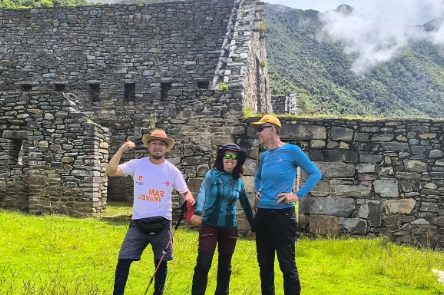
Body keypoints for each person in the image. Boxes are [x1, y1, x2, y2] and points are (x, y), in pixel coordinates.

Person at [106, 129, 195, 295]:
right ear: (148, 146)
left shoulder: (172, 171)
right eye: (154, 143)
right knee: (123, 260)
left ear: (166, 148)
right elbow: (110, 171)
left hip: (163, 224)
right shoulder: (136, 165)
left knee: (161, 263)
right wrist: (122, 149)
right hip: (138, 223)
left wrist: (190, 199)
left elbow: (185, 192)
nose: (157, 147)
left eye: (161, 144)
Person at [250, 115, 322, 295]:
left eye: (260, 129)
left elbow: (315, 173)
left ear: (272, 129)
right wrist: (258, 190)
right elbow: (258, 178)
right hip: (263, 214)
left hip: (283, 216)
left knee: (287, 264)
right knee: (264, 263)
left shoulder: (292, 151)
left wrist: (297, 195)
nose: (257, 133)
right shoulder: (265, 156)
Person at [190, 143, 256, 295]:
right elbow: (202, 192)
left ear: (238, 161)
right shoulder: (212, 175)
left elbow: (246, 205)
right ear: (222, 158)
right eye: (227, 156)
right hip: (209, 225)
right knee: (203, 263)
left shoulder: (238, 182)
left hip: (229, 228)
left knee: (225, 266)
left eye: (234, 157)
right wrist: (198, 212)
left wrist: (254, 226)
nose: (230, 159)